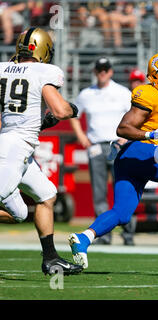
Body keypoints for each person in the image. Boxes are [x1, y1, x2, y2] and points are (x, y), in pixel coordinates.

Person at [69, 52, 158, 268]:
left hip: (130, 160)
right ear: (157, 78)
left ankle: (83, 238)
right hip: (140, 151)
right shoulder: (148, 94)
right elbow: (122, 128)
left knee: (122, 213)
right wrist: (151, 134)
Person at [0, 27, 83, 275]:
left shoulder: (3, 69)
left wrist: (38, 123)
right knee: (12, 204)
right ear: (44, 49)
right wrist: (72, 108)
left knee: (44, 196)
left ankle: (51, 259)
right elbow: (60, 111)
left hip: (13, 143)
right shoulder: (44, 71)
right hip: (15, 148)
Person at [69, 57, 137, 246]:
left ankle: (128, 234)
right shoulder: (86, 94)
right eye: (99, 69)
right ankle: (103, 234)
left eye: (105, 69)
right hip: (96, 146)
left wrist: (126, 138)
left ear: (111, 71)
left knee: (123, 190)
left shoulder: (122, 92)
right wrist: (82, 138)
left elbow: (135, 115)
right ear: (95, 71)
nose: (102, 72)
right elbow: (73, 114)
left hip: (118, 145)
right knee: (99, 193)